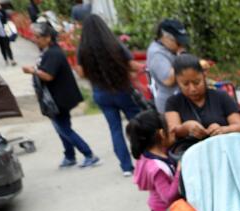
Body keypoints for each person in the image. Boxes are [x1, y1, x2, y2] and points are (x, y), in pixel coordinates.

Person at [23, 21, 98, 169]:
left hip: (59, 98)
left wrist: (32, 71)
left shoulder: (53, 53)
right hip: (56, 97)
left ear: (47, 38)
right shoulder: (48, 52)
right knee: (63, 127)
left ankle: (88, 154)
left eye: (38, 37)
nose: (35, 39)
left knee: (63, 129)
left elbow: (48, 76)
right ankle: (69, 156)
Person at [76, 15, 142, 176]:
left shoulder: (82, 50)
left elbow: (81, 73)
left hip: (101, 93)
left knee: (115, 130)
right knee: (137, 126)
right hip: (122, 90)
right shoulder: (114, 44)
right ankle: (144, 161)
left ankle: (126, 167)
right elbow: (132, 65)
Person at [163, 54, 240, 146]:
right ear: (178, 82)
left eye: (197, 82)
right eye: (185, 84)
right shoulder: (173, 102)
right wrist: (185, 128)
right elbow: (172, 133)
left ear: (204, 76)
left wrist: (223, 130)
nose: (192, 89)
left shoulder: (221, 97)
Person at [145, 18, 188, 113]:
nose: (181, 45)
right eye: (178, 41)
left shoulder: (171, 49)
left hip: (181, 100)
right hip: (169, 105)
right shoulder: (157, 54)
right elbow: (168, 80)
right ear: (165, 37)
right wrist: (181, 57)